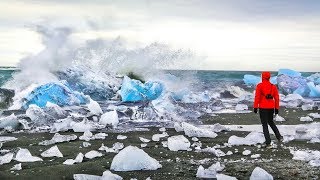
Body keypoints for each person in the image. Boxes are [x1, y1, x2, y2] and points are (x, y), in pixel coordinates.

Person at [253, 72, 283, 148]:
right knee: (271, 122)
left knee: (264, 124)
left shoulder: (259, 86)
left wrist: (255, 107)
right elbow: (276, 98)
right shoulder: (273, 86)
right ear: (269, 77)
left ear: (262, 77)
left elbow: (257, 97)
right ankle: (279, 137)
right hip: (271, 107)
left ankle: (268, 142)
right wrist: (276, 108)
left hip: (263, 107)